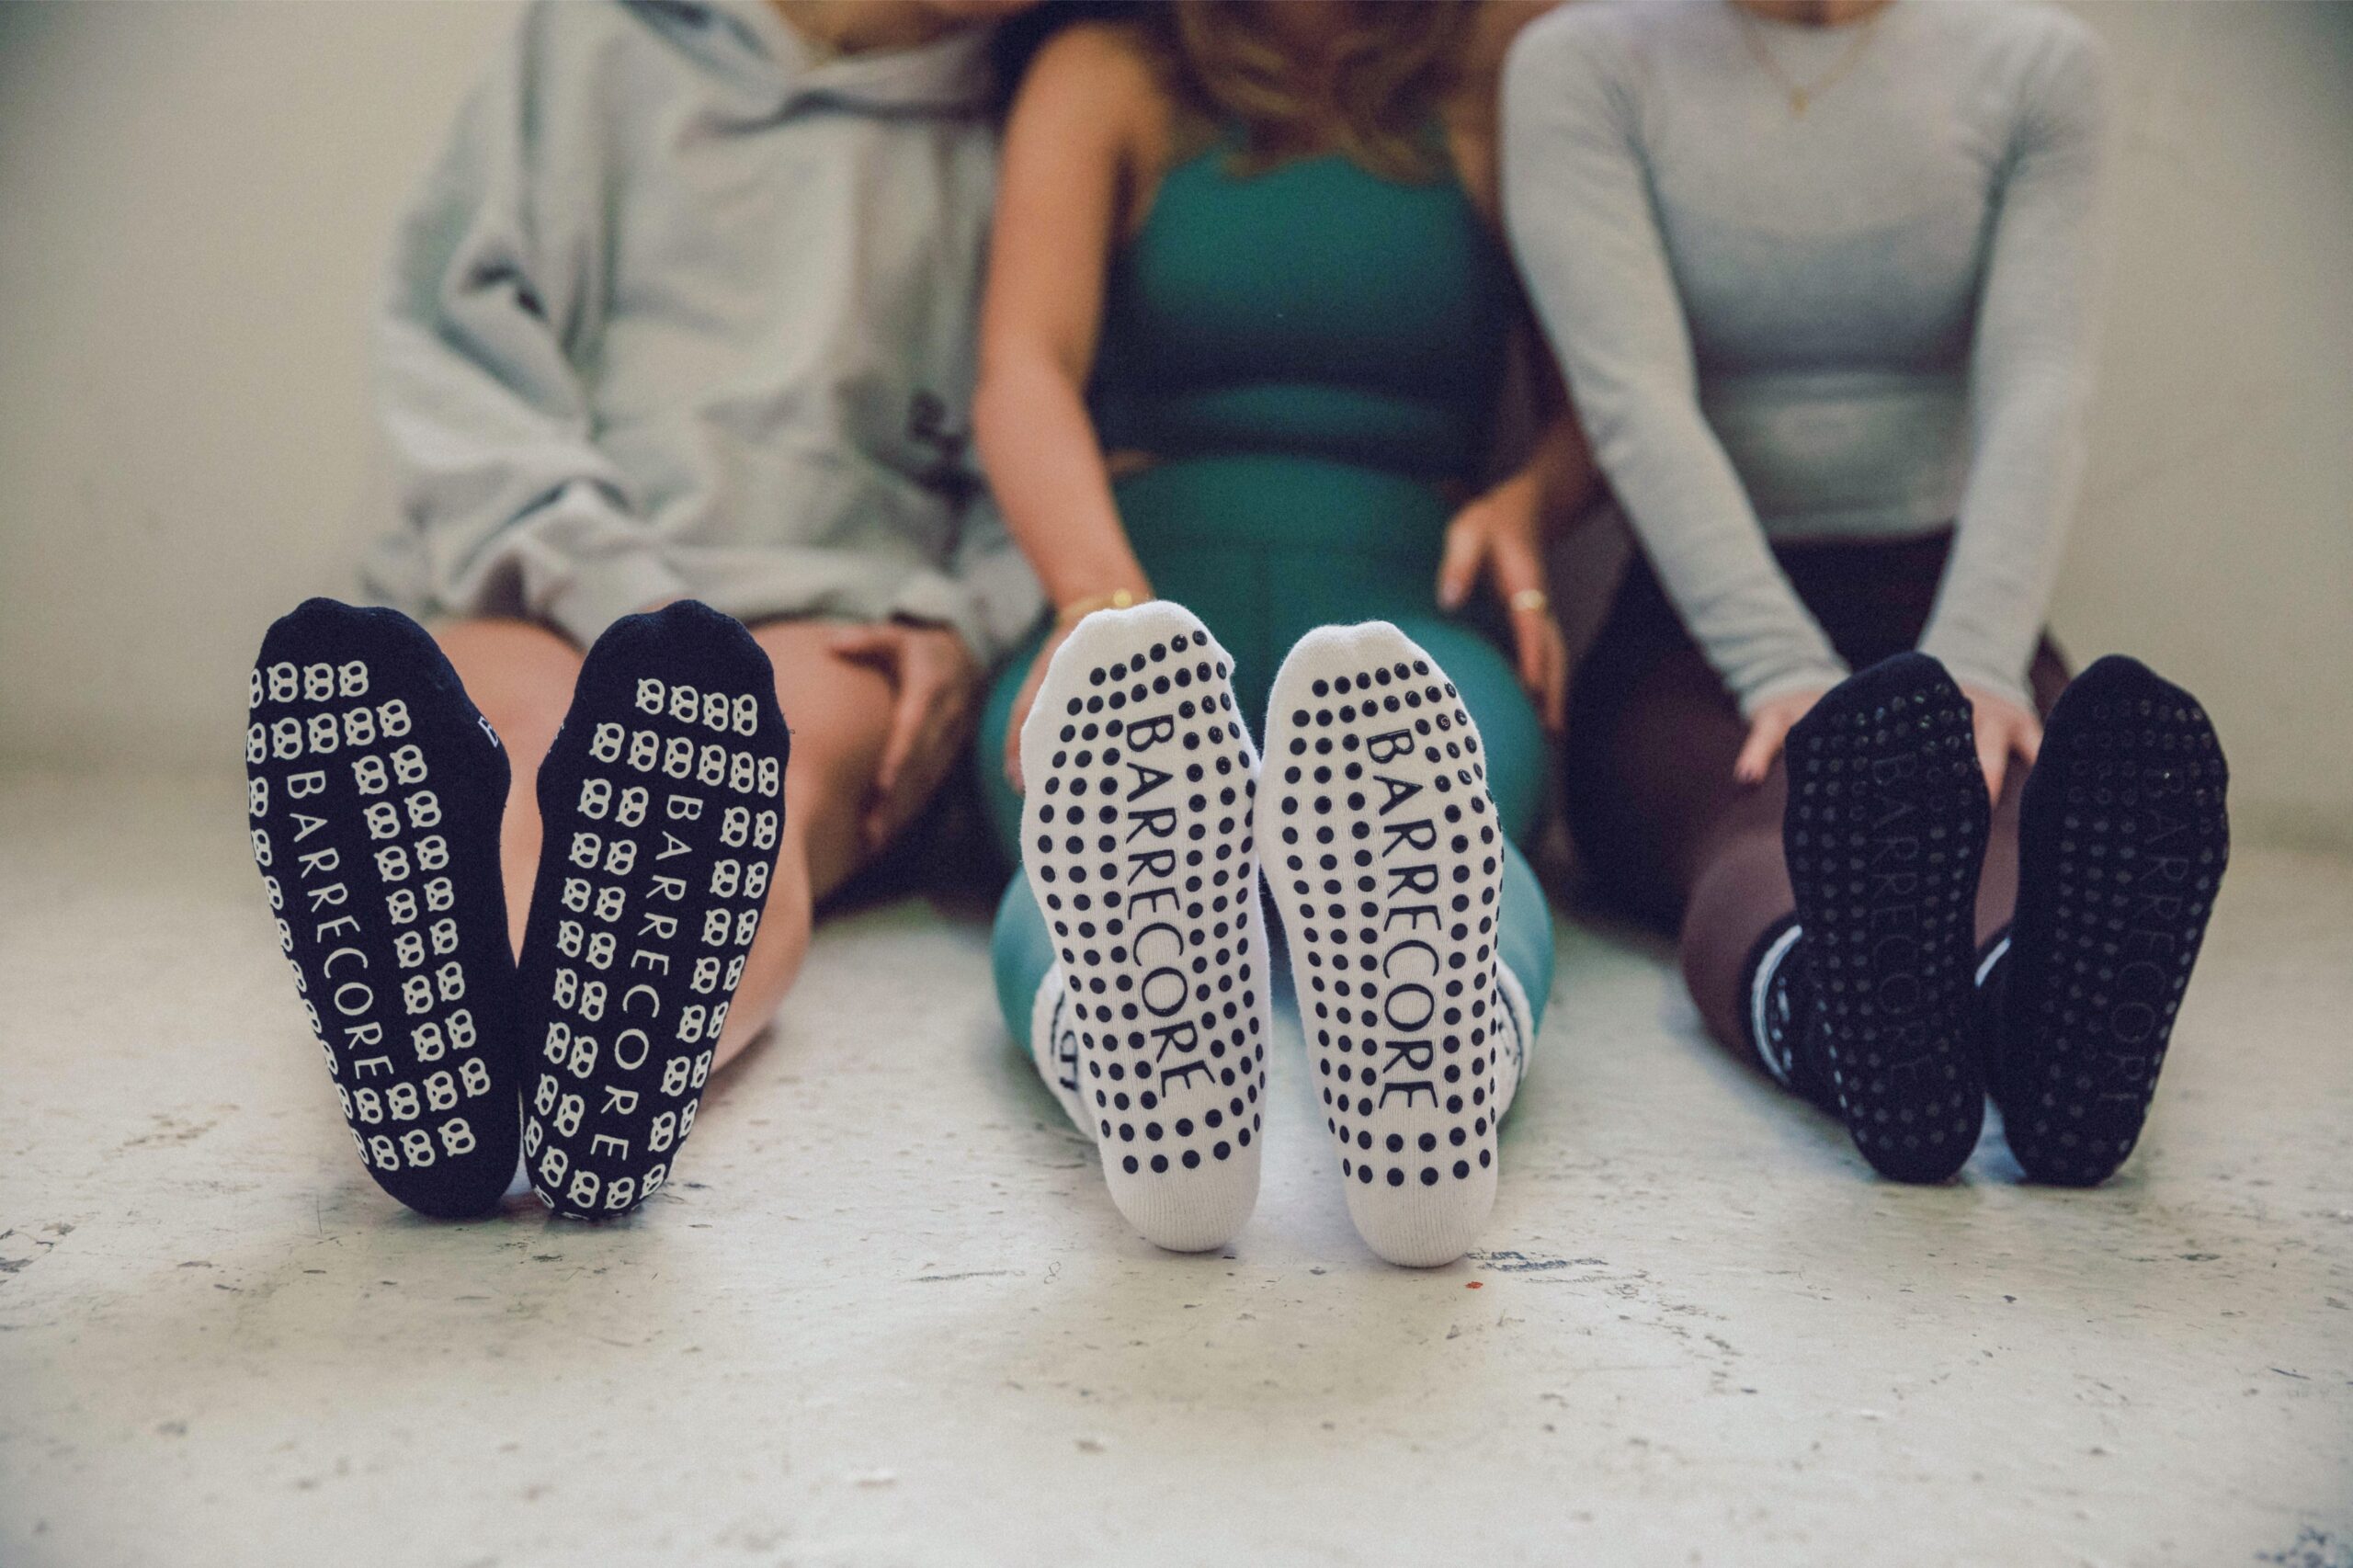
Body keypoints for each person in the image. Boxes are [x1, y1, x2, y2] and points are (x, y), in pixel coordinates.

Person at [244, 0, 1041, 1222]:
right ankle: (483, 1062)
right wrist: (622, 587)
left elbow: (1044, 432)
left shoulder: (1030, 124)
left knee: (754, 798)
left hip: (830, 607)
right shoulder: (594, 45)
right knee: (497, 750)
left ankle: (595, 1068)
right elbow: (460, 350)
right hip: (541, 559)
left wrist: (961, 622)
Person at [1504, 0, 2230, 1186]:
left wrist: (1981, 662)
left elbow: (2040, 388)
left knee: (2009, 809)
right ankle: (1864, 1048)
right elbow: (1633, 401)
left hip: (1952, 597)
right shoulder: (1585, 65)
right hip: (1700, 628)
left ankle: (2039, 1035)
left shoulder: (2037, 67)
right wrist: (1781, 669)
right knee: (1757, 818)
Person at [975, 0, 1596, 1265]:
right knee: (1081, 838)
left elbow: (1613, 384)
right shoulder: (1104, 76)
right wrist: (1098, 601)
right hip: (1138, 592)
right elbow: (1023, 367)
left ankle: (1446, 1084)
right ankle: (1143, 1096)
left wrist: (1535, 504)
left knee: (1449, 816)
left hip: (1411, 616)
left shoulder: (1504, 76)